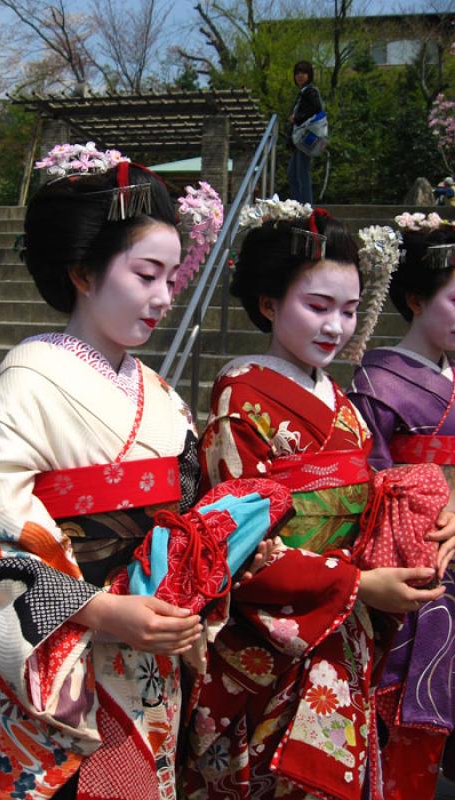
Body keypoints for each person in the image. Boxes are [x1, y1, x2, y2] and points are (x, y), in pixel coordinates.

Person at [0, 144, 223, 800]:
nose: (163, 299)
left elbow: (193, 507)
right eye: (146, 273)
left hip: (147, 650)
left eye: (171, 279)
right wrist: (102, 608)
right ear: (82, 272)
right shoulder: (30, 380)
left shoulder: (160, 393)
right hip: (61, 660)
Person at [179, 198, 446, 800]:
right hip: (273, 636)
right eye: (317, 306)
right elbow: (234, 541)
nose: (336, 327)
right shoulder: (240, 397)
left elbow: (373, 488)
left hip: (340, 623)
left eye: (349, 311)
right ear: (269, 303)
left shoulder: (340, 400)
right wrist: (356, 586)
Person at [349, 216, 455, 800]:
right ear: (415, 299)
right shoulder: (377, 380)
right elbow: (373, 476)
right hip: (412, 559)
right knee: (399, 729)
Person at [287, 60, 322, 204]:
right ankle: (299, 205)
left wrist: (297, 117)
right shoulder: (303, 93)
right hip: (300, 139)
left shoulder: (310, 91)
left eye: (304, 73)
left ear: (309, 75)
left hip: (307, 137)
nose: (300, 76)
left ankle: (306, 208)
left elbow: (316, 109)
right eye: (297, 73)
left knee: (301, 173)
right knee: (293, 173)